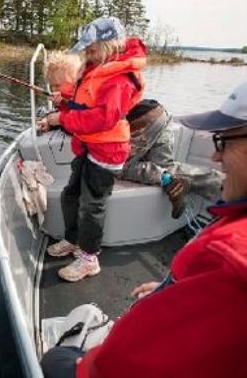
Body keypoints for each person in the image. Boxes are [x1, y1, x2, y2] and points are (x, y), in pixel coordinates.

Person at [40, 81, 247, 378]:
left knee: (115, 163)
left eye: (223, 142)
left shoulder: (225, 257)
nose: (216, 155)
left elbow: (120, 364)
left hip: (142, 123)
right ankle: (191, 181)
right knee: (168, 165)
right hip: (157, 115)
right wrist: (171, 289)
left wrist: (56, 118)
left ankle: (164, 177)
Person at [37, 17, 147, 282]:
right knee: (70, 195)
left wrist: (61, 119)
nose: (88, 54)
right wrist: (64, 103)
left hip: (107, 152)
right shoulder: (95, 69)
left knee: (92, 206)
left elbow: (101, 119)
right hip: (88, 146)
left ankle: (89, 259)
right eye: (86, 49)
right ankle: (73, 240)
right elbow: (83, 106)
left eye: (93, 49)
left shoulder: (121, 80)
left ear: (110, 45)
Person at [122, 99, 224, 217]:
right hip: (158, 113)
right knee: (165, 165)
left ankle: (167, 179)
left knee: (115, 165)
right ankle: (225, 185)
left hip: (140, 121)